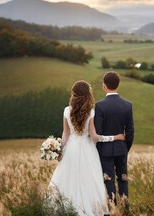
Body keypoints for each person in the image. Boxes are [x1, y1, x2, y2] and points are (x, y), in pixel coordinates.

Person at [48, 80, 125, 216]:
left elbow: (66, 134)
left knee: (68, 180)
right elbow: (94, 137)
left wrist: (61, 151)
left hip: (71, 149)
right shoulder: (90, 112)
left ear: (74, 94)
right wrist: (115, 137)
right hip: (87, 149)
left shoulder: (67, 110)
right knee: (89, 181)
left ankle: (66, 209)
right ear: (87, 94)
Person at [94, 71, 134, 210]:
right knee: (123, 178)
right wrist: (125, 147)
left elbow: (98, 132)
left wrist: (100, 148)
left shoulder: (99, 106)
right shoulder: (127, 105)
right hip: (121, 148)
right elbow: (130, 131)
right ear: (118, 85)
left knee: (108, 179)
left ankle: (113, 207)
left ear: (104, 86)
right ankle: (125, 207)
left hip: (105, 150)